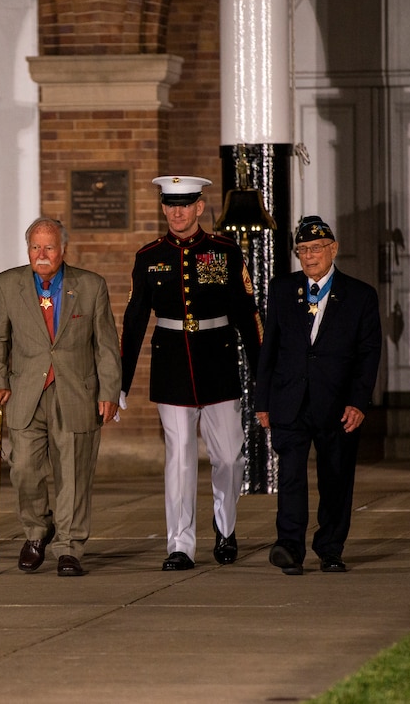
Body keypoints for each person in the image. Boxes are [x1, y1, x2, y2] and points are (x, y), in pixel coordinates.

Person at [120, 175, 264, 571]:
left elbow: (247, 315)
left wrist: (262, 376)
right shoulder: (148, 256)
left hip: (218, 364)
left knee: (230, 458)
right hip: (172, 369)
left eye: (185, 204)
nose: (177, 212)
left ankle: (226, 526)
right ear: (164, 208)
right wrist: (121, 383)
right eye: (170, 204)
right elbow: (133, 323)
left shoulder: (224, 250)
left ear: (200, 207)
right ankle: (179, 545)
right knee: (179, 460)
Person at [0, 217, 121, 577]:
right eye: (35, 247)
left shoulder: (90, 286)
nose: (41, 254)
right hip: (25, 394)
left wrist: (109, 391)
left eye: (48, 247)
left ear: (63, 249)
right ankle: (36, 532)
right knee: (25, 470)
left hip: (76, 393)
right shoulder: (8, 284)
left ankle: (69, 547)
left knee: (73, 473)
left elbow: (106, 345)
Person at [254, 216, 381, 575]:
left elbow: (369, 353)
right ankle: (289, 548)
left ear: (333, 249)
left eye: (315, 249)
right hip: (290, 400)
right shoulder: (282, 289)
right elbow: (270, 349)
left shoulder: (360, 296)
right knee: (291, 477)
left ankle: (330, 548)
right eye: (302, 250)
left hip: (338, 404)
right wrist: (263, 401)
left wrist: (359, 401)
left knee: (336, 478)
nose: (309, 257)